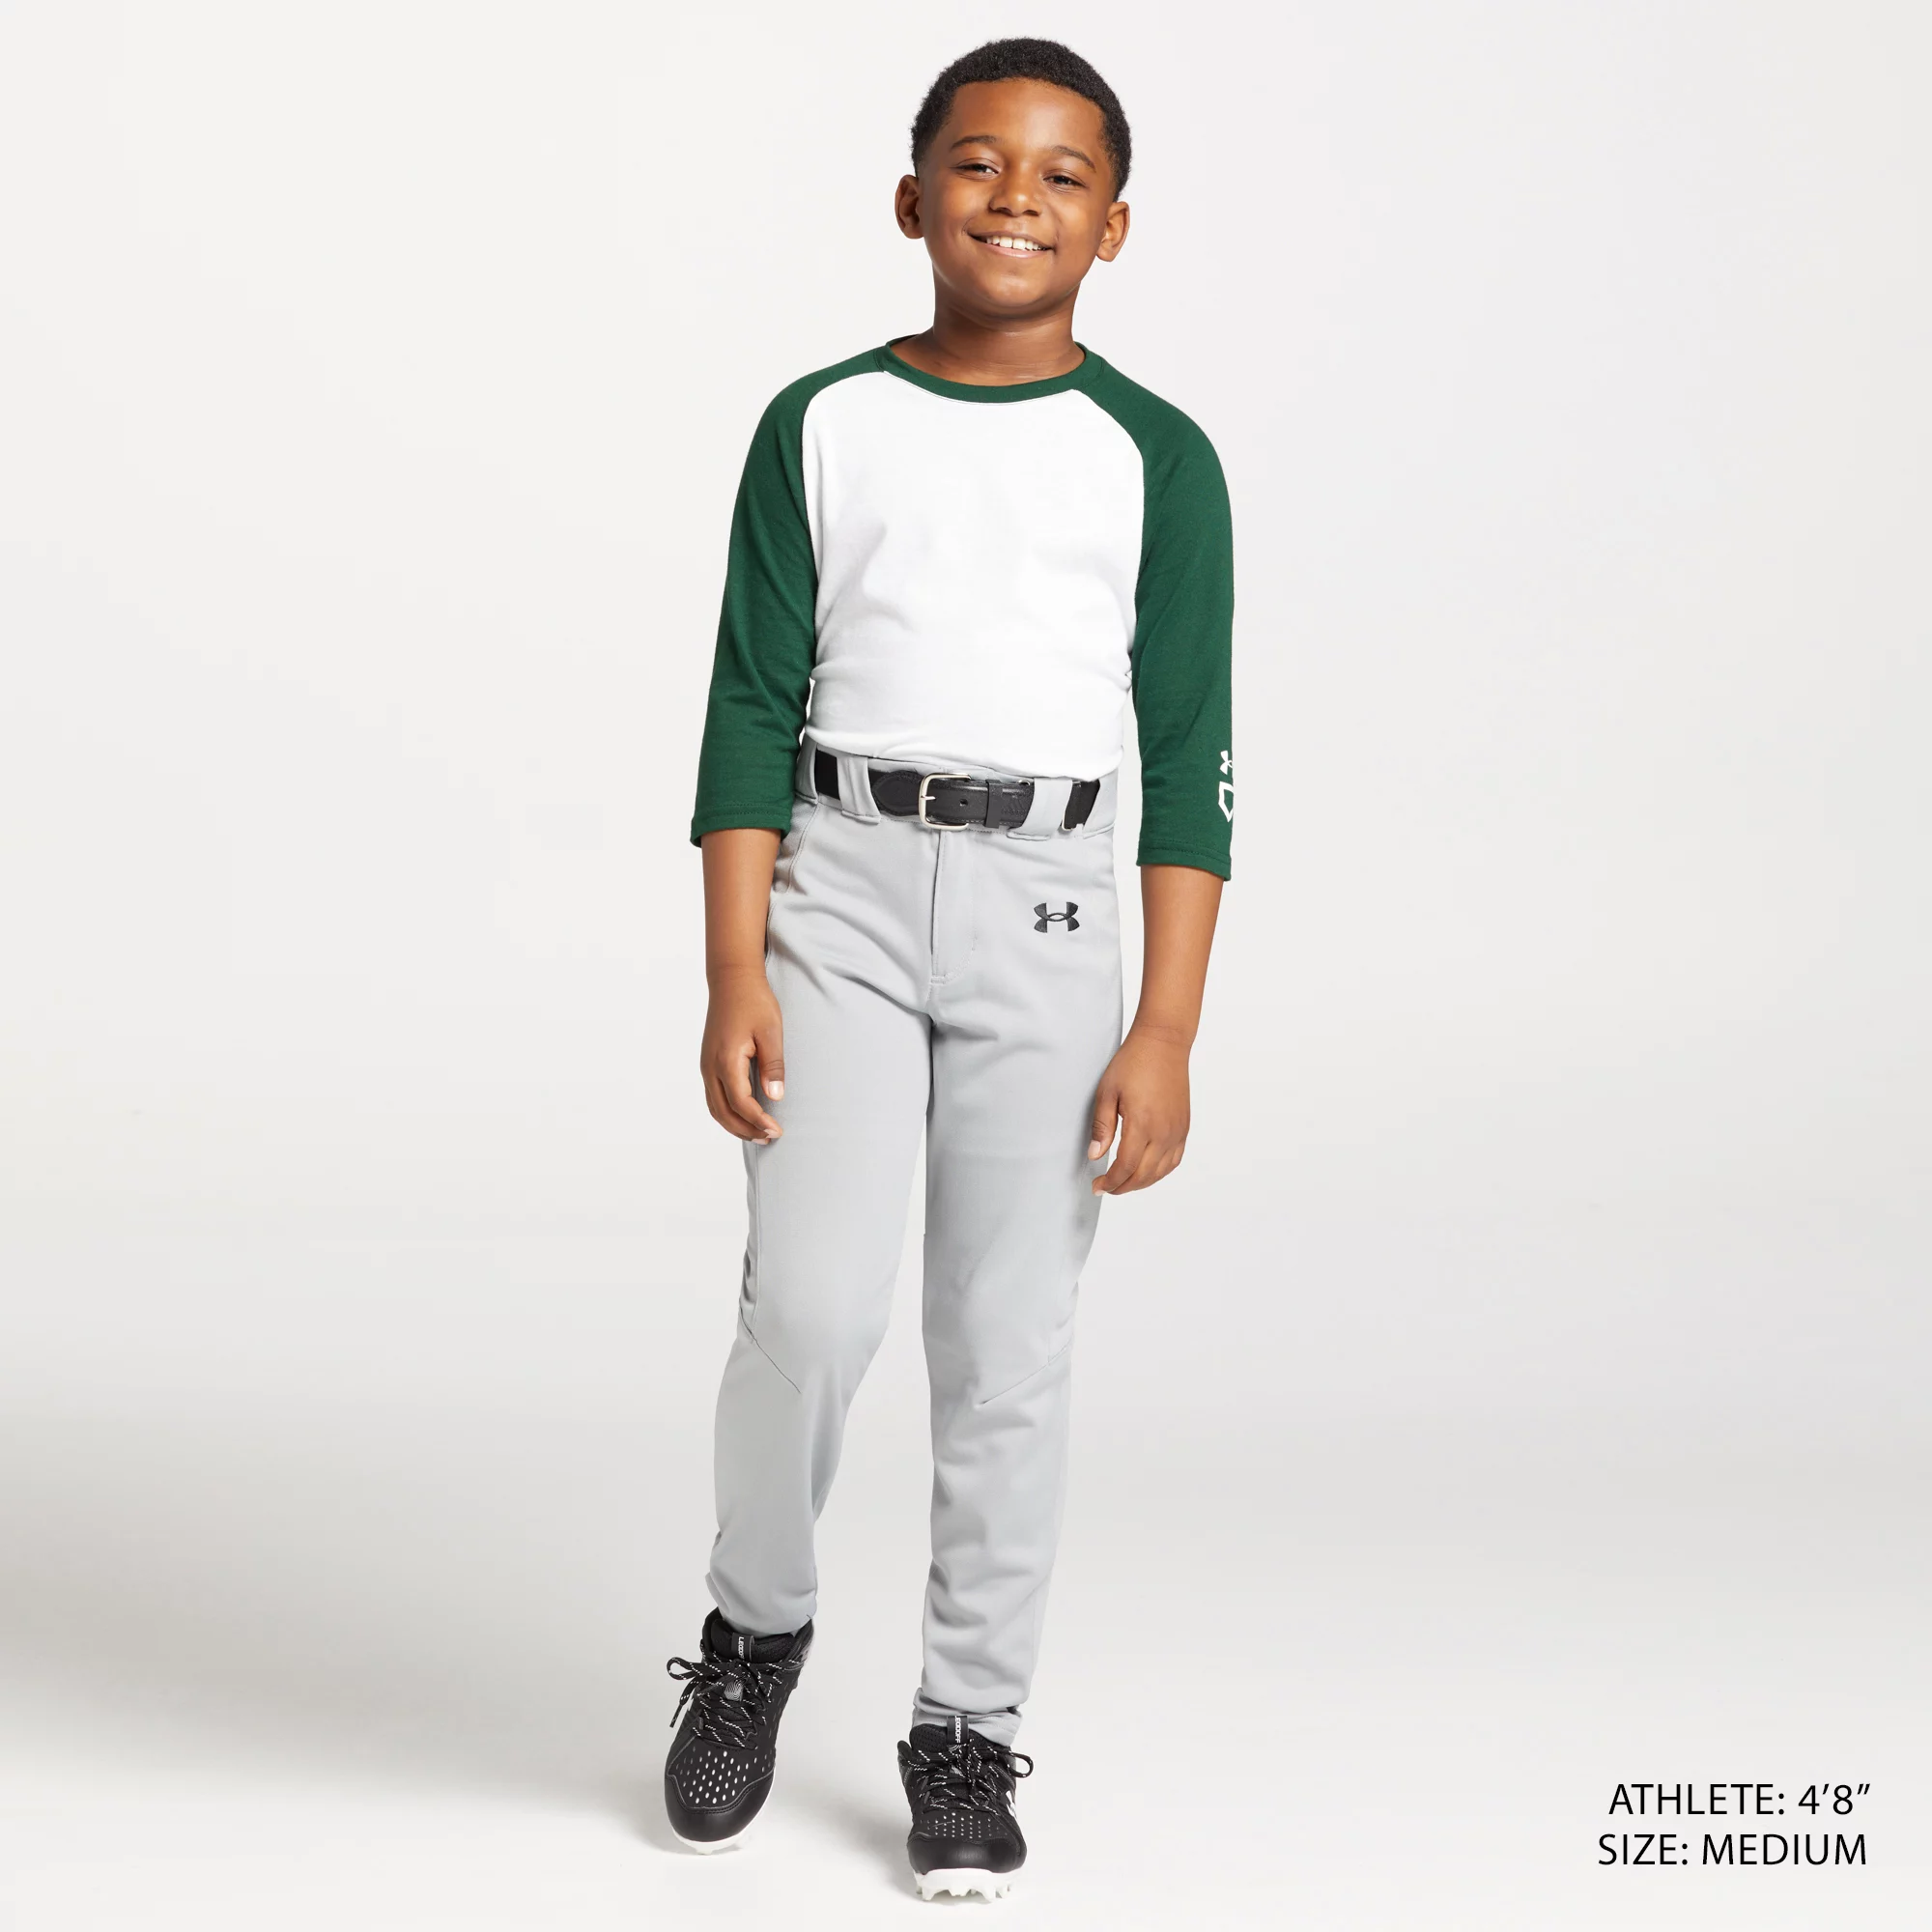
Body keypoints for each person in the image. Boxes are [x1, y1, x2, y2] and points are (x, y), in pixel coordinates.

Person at [662, 36, 1234, 1901]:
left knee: (1006, 1340)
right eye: (979, 165)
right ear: (912, 198)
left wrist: (1164, 1021)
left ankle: (967, 1726)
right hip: (834, 887)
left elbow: (1192, 759)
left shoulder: (1156, 461)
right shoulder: (821, 423)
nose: (1016, 200)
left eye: (1064, 176)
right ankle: (753, 1633)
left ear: (1115, 226)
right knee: (813, 1310)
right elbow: (749, 705)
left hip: (1051, 901)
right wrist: (737, 964)